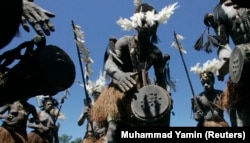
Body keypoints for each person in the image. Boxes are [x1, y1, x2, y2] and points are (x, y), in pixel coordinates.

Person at [90, 2, 177, 143]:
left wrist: (165, 96)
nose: (147, 27)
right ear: (136, 23)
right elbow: (109, 63)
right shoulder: (124, 42)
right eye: (144, 22)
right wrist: (118, 75)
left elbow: (161, 80)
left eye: (151, 24)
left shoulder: (156, 53)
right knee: (114, 127)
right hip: (120, 91)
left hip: (143, 91)